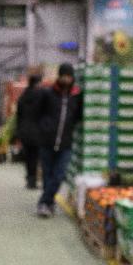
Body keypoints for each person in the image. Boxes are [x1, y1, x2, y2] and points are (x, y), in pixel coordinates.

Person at [37, 63, 83, 218]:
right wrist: (43, 128)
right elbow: (38, 113)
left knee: (59, 175)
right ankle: (48, 205)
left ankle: (44, 202)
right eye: (63, 76)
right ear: (59, 76)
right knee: (48, 175)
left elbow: (78, 115)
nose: (66, 79)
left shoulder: (76, 95)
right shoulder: (48, 93)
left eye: (69, 76)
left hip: (65, 143)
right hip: (47, 141)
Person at [14, 66, 44, 189]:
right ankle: (36, 179)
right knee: (37, 156)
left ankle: (30, 179)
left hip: (25, 130)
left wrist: (18, 130)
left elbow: (18, 114)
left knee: (28, 156)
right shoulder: (42, 96)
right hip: (38, 130)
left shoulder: (23, 96)